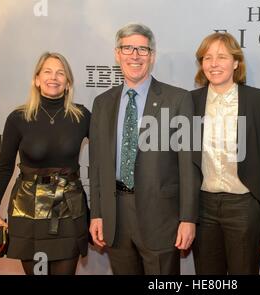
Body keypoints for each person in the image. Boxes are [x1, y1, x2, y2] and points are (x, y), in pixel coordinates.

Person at [88, 23, 198, 275]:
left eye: (142, 49)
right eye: (127, 48)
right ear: (117, 54)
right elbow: (96, 166)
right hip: (115, 217)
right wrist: (97, 214)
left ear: (152, 56)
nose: (134, 56)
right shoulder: (102, 103)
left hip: (162, 218)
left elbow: (188, 165)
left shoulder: (178, 99)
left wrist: (188, 218)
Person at [0, 52, 91, 275]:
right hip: (27, 209)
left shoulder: (81, 116)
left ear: (68, 82)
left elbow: (104, 160)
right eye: (48, 72)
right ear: (36, 79)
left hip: (69, 210)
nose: (54, 77)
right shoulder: (18, 117)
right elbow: (4, 166)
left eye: (60, 73)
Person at [191, 32, 260, 274]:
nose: (214, 64)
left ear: (236, 62)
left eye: (222, 57)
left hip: (244, 206)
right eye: (207, 58)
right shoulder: (189, 101)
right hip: (202, 206)